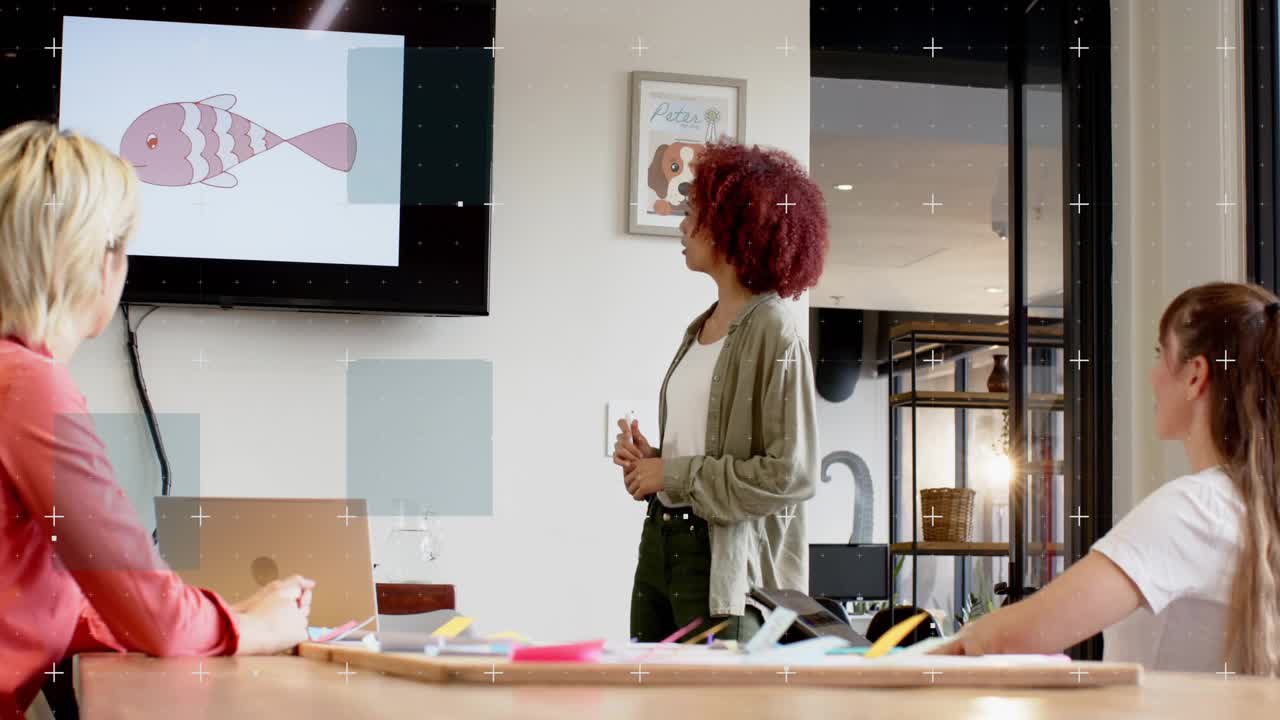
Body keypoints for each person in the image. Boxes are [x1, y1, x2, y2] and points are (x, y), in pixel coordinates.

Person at [0, 121, 314, 717]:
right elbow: (155, 619)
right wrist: (265, 630)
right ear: (101, 262)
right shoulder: (28, 385)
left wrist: (229, 617)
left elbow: (67, 600)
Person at [935, 282, 1280, 676]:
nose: (1152, 375)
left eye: (1159, 354)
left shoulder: (1193, 509)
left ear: (1195, 375)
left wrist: (918, 658)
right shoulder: (1250, 505)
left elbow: (1012, 636)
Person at [612, 141, 829, 642]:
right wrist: (653, 462)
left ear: (735, 225)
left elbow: (791, 474)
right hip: (660, 543)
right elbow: (709, 455)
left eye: (694, 215)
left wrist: (675, 472)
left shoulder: (776, 331)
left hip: (721, 563)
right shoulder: (699, 329)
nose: (682, 228)